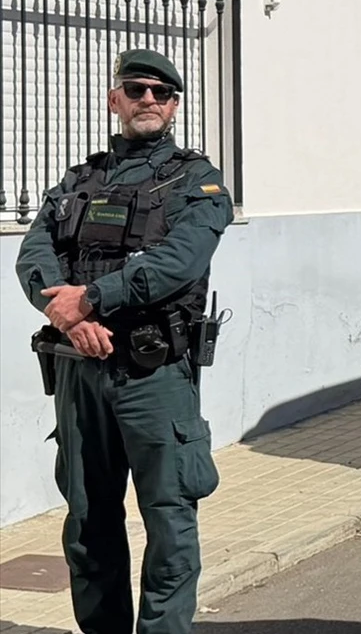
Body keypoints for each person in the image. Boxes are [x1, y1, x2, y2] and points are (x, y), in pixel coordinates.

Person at [14, 49, 234, 634]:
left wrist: (90, 299)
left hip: (153, 375)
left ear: (175, 106)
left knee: (169, 523)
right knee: (88, 524)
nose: (148, 101)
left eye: (161, 94)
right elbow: (36, 252)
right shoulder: (80, 179)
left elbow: (179, 262)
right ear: (115, 100)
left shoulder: (197, 181)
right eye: (135, 90)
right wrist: (64, 315)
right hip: (79, 373)